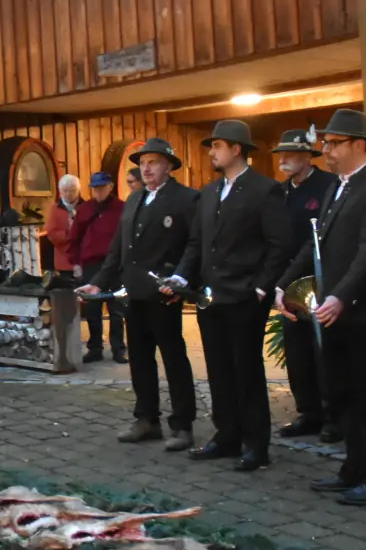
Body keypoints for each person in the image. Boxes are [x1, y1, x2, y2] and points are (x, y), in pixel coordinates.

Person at [276, 109, 366, 507]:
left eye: (334, 143)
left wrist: (342, 294)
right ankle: (354, 468)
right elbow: (318, 243)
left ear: (358, 144)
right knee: (344, 393)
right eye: (326, 143)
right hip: (337, 312)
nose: (326, 150)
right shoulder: (339, 187)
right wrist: (284, 284)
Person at [168, 120, 289, 472]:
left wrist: (261, 287)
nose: (211, 151)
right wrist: (180, 276)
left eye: (217, 145)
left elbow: (279, 245)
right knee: (218, 369)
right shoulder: (208, 192)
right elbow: (196, 243)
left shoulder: (265, 190)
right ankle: (226, 435)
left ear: (237, 149)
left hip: (245, 297)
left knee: (246, 372)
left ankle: (256, 444)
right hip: (209, 297)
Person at [77, 139, 200, 451]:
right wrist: (100, 281)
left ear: (169, 165)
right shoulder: (134, 200)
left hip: (163, 292)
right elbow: (118, 246)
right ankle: (147, 419)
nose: (146, 168)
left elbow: (195, 244)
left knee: (173, 359)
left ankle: (183, 425)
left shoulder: (186, 199)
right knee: (141, 359)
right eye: (143, 162)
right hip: (133, 292)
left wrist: (182, 279)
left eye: (154, 162)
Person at [272, 129, 341, 442]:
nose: (283, 159)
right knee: (297, 350)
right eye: (280, 154)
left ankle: (333, 416)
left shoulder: (328, 185)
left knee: (323, 351)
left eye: (289, 153)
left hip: (322, 280)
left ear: (307, 155)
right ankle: (308, 412)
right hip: (289, 283)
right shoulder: (280, 191)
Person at [68, 172, 128, 363]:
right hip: (92, 264)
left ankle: (118, 349)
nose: (98, 191)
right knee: (92, 308)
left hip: (116, 264)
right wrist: (76, 262)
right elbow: (74, 238)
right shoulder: (84, 210)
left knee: (116, 308)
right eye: (95, 188)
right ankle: (95, 348)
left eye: (102, 187)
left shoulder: (122, 208)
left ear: (110, 187)